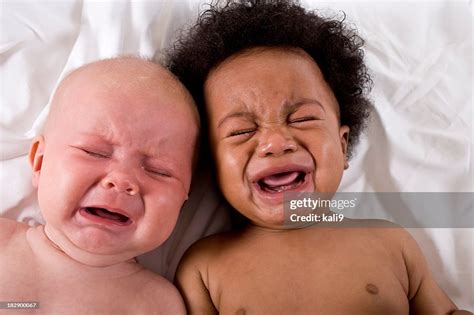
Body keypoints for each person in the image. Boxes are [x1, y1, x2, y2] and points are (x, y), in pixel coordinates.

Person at [167, 1, 469, 313]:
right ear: (210, 165)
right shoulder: (204, 269)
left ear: (342, 145)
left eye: (301, 119)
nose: (275, 142)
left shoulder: (388, 242)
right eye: (242, 130)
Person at [0, 57, 198, 314]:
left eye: (158, 171)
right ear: (40, 162)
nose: (122, 180)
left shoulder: (156, 304)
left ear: (182, 202)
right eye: (93, 152)